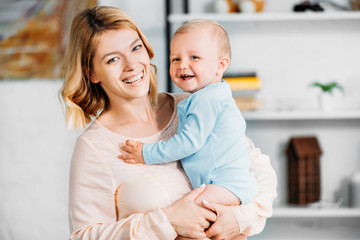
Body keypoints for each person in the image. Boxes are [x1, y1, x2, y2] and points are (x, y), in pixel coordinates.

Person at [60, 6, 277, 240]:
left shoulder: (193, 105)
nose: (132, 65)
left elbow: (258, 172)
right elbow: (85, 236)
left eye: (136, 48)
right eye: (113, 59)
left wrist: (240, 218)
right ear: (92, 73)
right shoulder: (95, 147)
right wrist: (166, 221)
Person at [120, 20, 258, 214]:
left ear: (220, 65)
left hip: (224, 184)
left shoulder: (206, 100)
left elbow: (187, 143)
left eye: (194, 57)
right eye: (175, 59)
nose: (183, 65)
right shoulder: (213, 95)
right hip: (227, 184)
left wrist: (146, 153)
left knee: (186, 215)